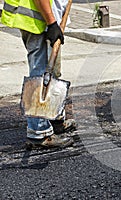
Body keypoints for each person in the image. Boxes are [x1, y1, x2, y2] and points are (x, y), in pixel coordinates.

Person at [1, 0, 76, 148]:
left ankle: (54, 118)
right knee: (40, 75)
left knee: (52, 71)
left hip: (45, 19)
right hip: (38, 21)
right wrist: (52, 23)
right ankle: (39, 130)